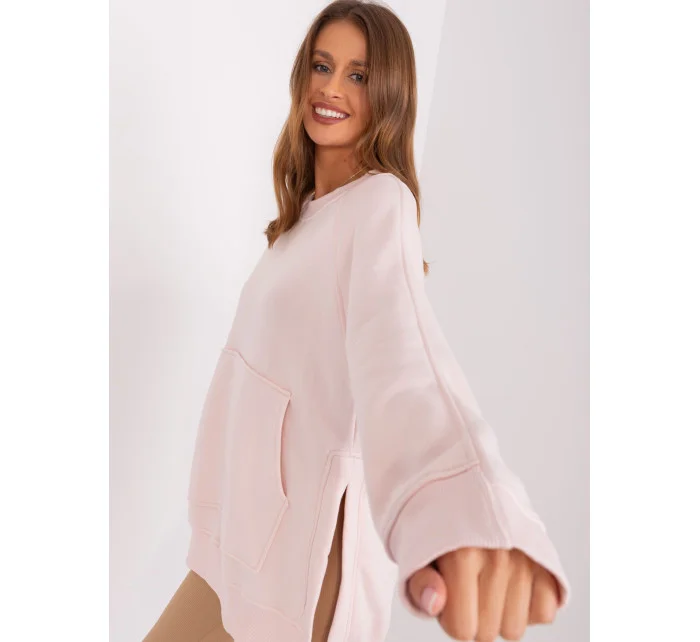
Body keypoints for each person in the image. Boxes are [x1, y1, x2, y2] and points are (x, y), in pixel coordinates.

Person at [143, 1, 571, 641]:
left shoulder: (380, 203)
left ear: (389, 95)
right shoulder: (299, 225)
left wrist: (460, 507)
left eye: (358, 75)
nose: (331, 88)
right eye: (322, 66)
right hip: (235, 543)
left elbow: (404, 360)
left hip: (299, 561)